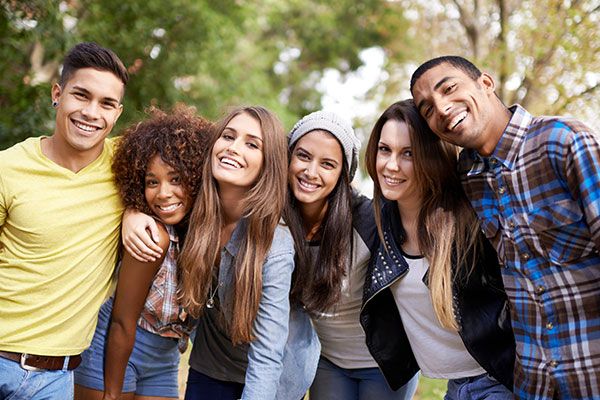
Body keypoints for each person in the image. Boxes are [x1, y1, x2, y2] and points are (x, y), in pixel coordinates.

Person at [410, 55, 600, 399]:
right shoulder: (469, 179)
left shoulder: (563, 141)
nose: (441, 108)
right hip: (533, 385)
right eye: (427, 109)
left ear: (485, 83)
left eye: (449, 88)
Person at [360, 99, 516, 400]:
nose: (391, 165)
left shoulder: (470, 221)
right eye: (385, 149)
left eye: (409, 154)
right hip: (455, 387)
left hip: (499, 381)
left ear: (432, 157)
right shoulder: (381, 224)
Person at [0, 42, 129, 400]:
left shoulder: (126, 164)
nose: (91, 112)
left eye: (106, 103)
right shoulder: (7, 168)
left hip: (56, 379)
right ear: (58, 94)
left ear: (117, 113)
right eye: (81, 96)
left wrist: (135, 211)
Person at [165, 106, 319, 400]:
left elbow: (267, 353)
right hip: (212, 361)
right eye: (228, 136)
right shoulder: (193, 210)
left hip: (274, 373)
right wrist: (134, 215)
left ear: (267, 163)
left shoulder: (275, 243)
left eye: (251, 144)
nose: (233, 148)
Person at [73, 106, 212, 400]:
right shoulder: (152, 236)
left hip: (164, 357)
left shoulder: (200, 235)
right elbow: (122, 321)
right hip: (116, 351)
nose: (163, 193)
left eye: (176, 179)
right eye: (152, 182)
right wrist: (111, 394)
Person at [283, 110, 419, 400]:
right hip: (328, 359)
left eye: (327, 164)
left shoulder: (371, 221)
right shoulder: (275, 221)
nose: (311, 172)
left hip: (383, 362)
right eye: (304, 156)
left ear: (343, 175)